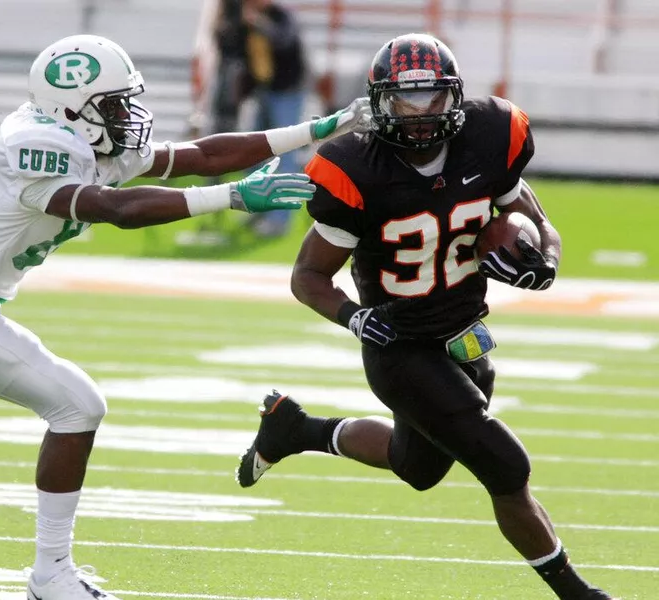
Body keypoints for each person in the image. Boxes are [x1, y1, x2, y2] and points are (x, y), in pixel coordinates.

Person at [0, 34, 371, 600]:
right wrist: (231, 199)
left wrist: (321, 128)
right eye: (112, 102)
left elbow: (200, 156)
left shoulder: (82, 135)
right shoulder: (37, 145)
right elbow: (113, 208)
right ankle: (51, 576)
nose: (126, 114)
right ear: (73, 107)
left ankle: (50, 576)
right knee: (78, 407)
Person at [236, 33, 616, 600]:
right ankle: (576, 593)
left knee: (416, 468)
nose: (418, 116)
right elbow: (307, 277)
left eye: (432, 100)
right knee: (506, 468)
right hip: (400, 343)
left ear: (454, 98)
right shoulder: (354, 168)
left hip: (464, 334)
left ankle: (296, 428)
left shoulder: (492, 136)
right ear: (378, 102)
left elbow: (538, 221)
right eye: (403, 102)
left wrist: (546, 263)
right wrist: (356, 319)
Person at [241, 0, 308, 238]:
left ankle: (279, 219)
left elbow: (283, 41)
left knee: (284, 154)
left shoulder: (282, 16)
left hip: (287, 92)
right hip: (265, 91)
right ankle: (256, 206)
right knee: (252, 152)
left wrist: (259, 24)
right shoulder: (244, 16)